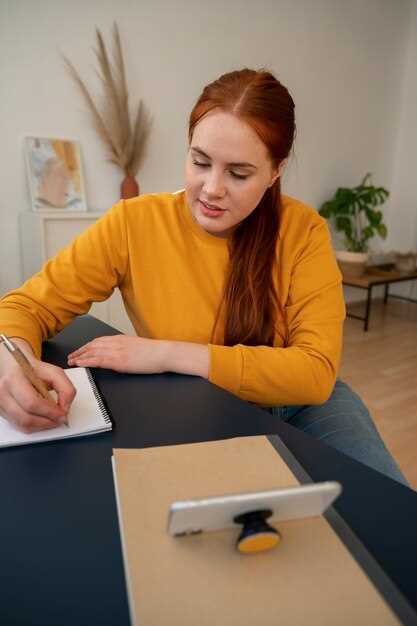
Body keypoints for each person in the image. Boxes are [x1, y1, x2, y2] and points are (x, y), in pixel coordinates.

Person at [0, 68, 407, 485]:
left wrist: (166, 354)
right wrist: (13, 365)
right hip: (195, 402)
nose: (212, 188)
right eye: (200, 162)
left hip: (301, 405)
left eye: (239, 173)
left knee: (391, 514)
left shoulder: (304, 232)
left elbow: (315, 374)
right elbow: (26, 306)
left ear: (275, 171)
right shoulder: (134, 223)